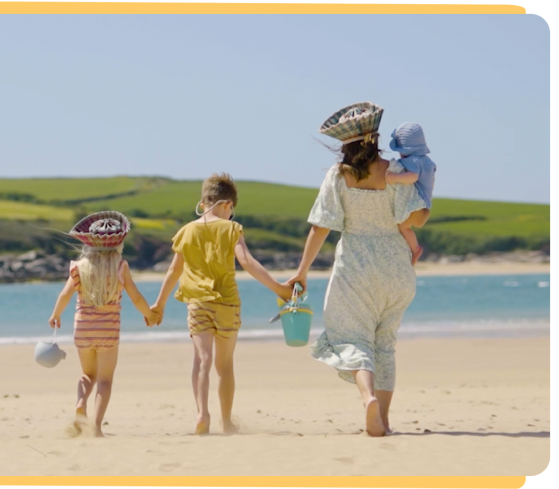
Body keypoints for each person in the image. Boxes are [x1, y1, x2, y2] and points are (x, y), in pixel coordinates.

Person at [287, 102, 430, 437]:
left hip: (356, 266)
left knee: (354, 338)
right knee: (385, 343)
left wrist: (302, 271)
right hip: (396, 266)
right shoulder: (393, 170)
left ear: (345, 144)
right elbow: (414, 219)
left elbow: (320, 227)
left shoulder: (338, 176)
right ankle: (385, 420)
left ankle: (368, 399)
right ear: (376, 138)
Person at [149, 173, 293, 435]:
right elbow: (248, 262)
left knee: (202, 360)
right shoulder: (231, 229)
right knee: (224, 365)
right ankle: (226, 421)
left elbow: (173, 272)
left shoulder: (187, 231)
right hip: (226, 302)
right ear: (227, 205)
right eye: (231, 210)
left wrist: (159, 304)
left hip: (197, 303)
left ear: (203, 203)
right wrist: (280, 288)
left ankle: (202, 414)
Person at [48, 211, 159, 437]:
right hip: (108, 330)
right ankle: (96, 426)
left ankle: (81, 402)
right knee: (105, 380)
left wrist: (55, 314)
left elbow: (65, 294)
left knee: (87, 374)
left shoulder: (80, 267)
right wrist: (150, 314)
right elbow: (136, 297)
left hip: (83, 328)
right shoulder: (120, 267)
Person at [385, 122, 436, 264]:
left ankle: (415, 249)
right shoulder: (427, 161)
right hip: (426, 205)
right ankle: (413, 249)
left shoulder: (412, 161)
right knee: (405, 226)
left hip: (416, 207)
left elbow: (413, 177)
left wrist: (394, 178)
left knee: (403, 226)